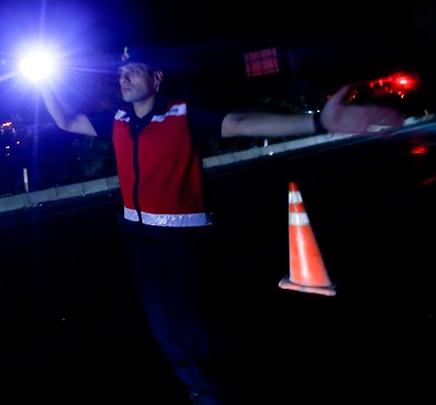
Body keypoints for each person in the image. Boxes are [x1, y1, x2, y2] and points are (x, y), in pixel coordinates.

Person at [33, 44, 405, 404]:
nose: (124, 78)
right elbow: (65, 121)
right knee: (165, 328)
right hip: (139, 241)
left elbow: (241, 122)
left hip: (184, 242)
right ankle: (199, 391)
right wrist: (44, 81)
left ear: (156, 78)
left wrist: (317, 121)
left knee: (198, 328)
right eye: (121, 73)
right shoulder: (117, 120)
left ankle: (215, 392)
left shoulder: (181, 114)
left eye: (134, 71)